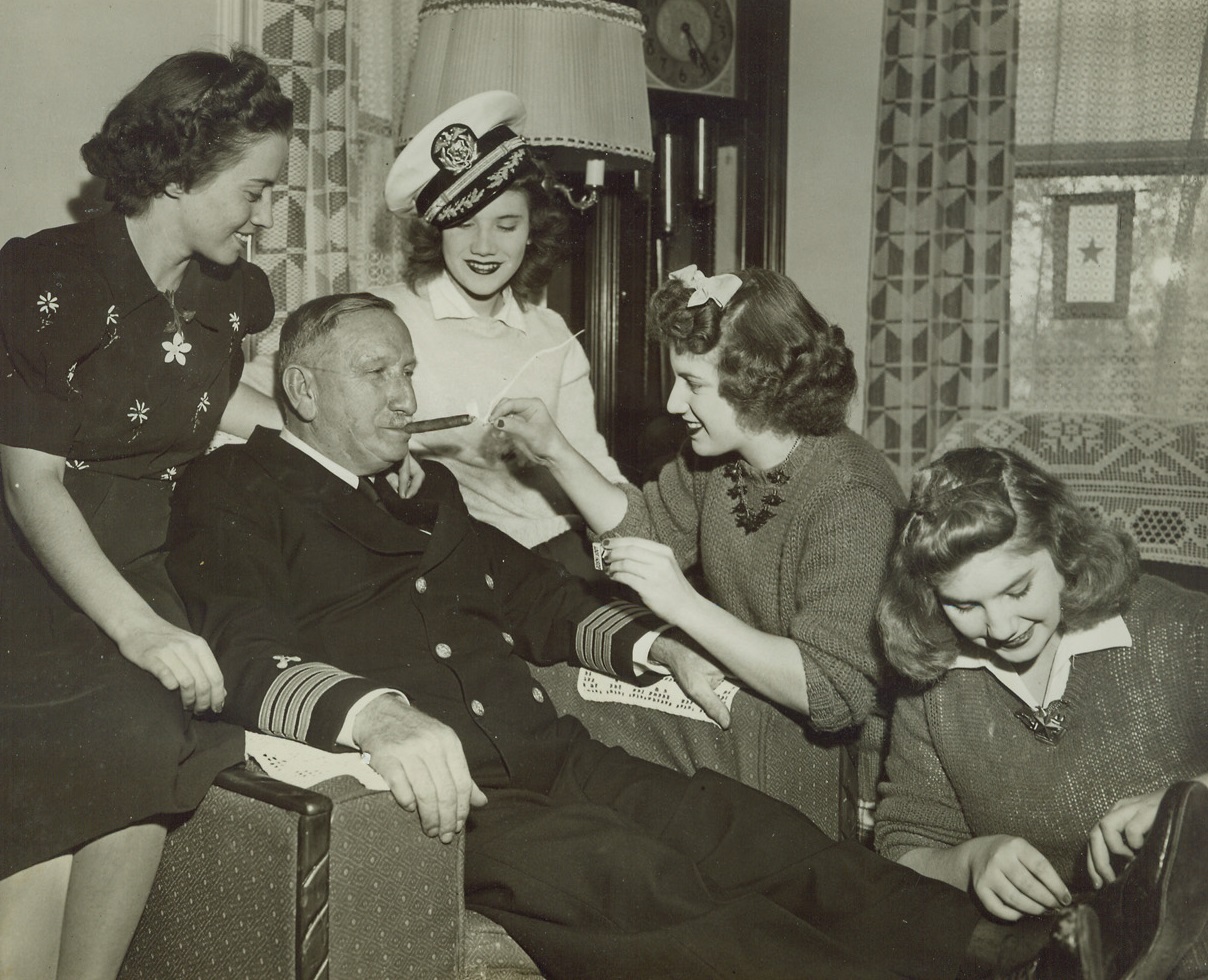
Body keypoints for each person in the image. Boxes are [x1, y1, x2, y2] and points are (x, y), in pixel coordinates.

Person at [164, 291, 1138, 980]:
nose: (403, 395)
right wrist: (377, 716)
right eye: (376, 373)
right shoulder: (234, 489)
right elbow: (245, 652)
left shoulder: (431, 489)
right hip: (447, 790)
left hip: (552, 749)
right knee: (631, 874)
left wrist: (656, 647)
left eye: (408, 370)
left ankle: (1003, 952)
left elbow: (539, 598)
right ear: (298, 387)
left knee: (742, 826)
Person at [0, 49, 291, 978]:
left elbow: (207, 404)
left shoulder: (226, 293)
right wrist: (139, 631)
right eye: (253, 189)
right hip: (33, 566)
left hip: (138, 557)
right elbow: (30, 481)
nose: (266, 211)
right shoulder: (47, 278)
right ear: (174, 174)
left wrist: (339, 445)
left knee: (153, 736)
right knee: (96, 746)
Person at [490, 264, 902, 832]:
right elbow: (646, 533)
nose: (672, 401)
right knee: (556, 679)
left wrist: (683, 606)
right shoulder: (716, 461)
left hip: (822, 761)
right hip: (746, 703)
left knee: (561, 716)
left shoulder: (851, 496)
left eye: (694, 383)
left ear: (758, 382)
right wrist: (554, 450)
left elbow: (832, 692)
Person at [875, 446, 1208, 979]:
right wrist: (969, 862)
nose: (1001, 626)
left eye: (1018, 588)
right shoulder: (935, 682)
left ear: (1062, 545)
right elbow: (902, 845)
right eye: (965, 605)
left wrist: (1190, 804)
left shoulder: (1179, 630)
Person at [369, 90, 623, 579]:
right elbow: (248, 392)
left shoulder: (551, 333)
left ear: (532, 230)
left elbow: (595, 468)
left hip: (565, 552)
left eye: (506, 225)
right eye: (464, 225)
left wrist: (629, 567)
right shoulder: (384, 315)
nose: (484, 247)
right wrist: (374, 458)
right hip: (456, 563)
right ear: (436, 232)